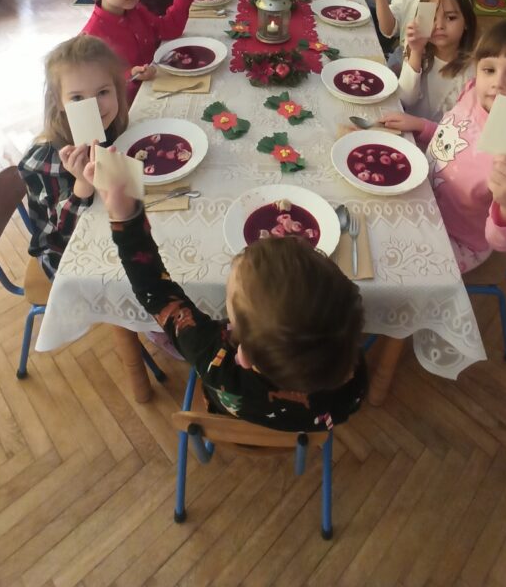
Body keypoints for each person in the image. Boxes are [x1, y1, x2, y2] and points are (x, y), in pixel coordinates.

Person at [81, 163, 368, 431]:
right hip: (306, 431)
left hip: (227, 416)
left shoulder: (214, 358)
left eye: (229, 297)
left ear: (243, 355)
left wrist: (126, 218)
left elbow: (155, 291)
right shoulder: (352, 376)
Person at [383, 19, 506, 274]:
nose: (498, 83)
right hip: (422, 196)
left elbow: (502, 242)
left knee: (392, 265)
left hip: (456, 239)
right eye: (489, 69)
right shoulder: (472, 95)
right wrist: (421, 126)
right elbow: (451, 138)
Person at [18, 36, 128, 280]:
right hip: (66, 259)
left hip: (107, 219)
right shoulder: (45, 161)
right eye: (77, 98)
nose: (94, 106)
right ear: (59, 102)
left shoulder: (109, 128)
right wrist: (83, 183)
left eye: (102, 92)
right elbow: (65, 237)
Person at [80, 0, 194, 102]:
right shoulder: (91, 37)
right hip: (128, 105)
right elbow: (91, 85)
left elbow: (169, 29)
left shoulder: (138, 11)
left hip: (156, 89)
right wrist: (130, 75)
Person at [391, 0, 477, 123]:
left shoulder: (472, 71)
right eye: (432, 18)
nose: (439, 25)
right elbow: (405, 99)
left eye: (451, 18)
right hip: (406, 129)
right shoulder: (417, 49)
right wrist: (416, 52)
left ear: (467, 22)